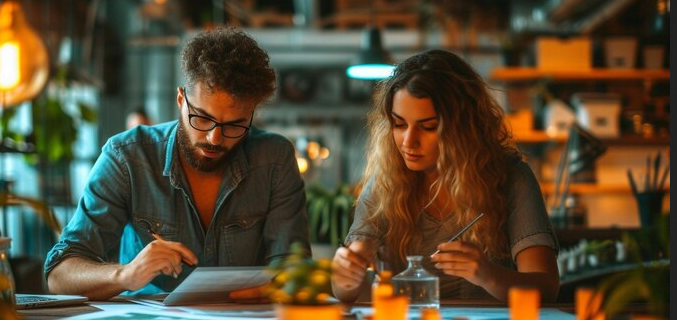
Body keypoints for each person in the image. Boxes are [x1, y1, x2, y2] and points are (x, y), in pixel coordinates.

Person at [45, 27, 310, 300]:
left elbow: (294, 268)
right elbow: (58, 274)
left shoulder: (274, 159)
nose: (214, 138)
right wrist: (126, 274)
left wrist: (277, 284)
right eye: (202, 118)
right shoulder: (127, 157)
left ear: (250, 116)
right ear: (181, 99)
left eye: (234, 125)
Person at [331, 49, 559, 303]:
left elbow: (547, 287)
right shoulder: (387, 181)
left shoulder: (510, 177)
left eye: (428, 127)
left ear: (463, 127)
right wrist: (346, 273)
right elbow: (344, 291)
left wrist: (487, 274)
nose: (409, 141)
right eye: (399, 124)